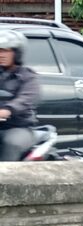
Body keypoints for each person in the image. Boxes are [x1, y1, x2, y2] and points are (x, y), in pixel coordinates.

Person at [0, 29, 39, 161]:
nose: (1, 54)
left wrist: (8, 110)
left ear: (17, 53)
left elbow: (25, 98)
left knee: (11, 143)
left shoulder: (28, 76)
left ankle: (6, 179)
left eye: (6, 50)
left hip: (19, 127)